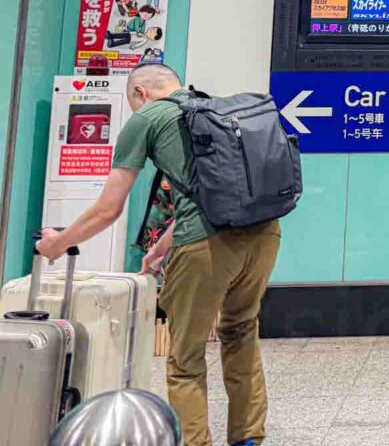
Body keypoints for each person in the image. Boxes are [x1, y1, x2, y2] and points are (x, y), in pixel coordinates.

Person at [36, 63, 281, 446]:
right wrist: (161, 247)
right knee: (241, 330)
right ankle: (248, 438)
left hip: (206, 245)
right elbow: (206, 191)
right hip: (264, 234)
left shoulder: (147, 117)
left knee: (185, 357)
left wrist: (58, 242)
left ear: (139, 94)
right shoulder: (210, 106)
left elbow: (108, 209)